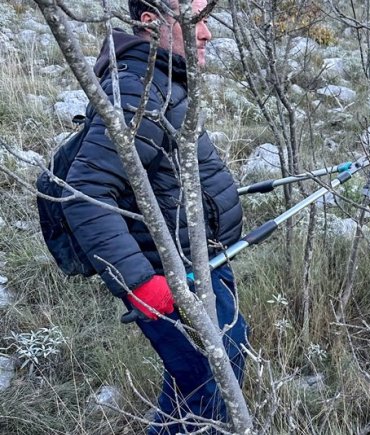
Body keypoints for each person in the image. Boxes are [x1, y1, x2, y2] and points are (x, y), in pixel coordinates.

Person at [60, 0, 247, 433]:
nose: (206, 33)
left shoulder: (163, 79)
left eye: (206, 20)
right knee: (208, 385)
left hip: (199, 261)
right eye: (193, 21)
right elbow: (86, 192)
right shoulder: (139, 90)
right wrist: (143, 284)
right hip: (170, 275)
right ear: (149, 21)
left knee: (211, 372)